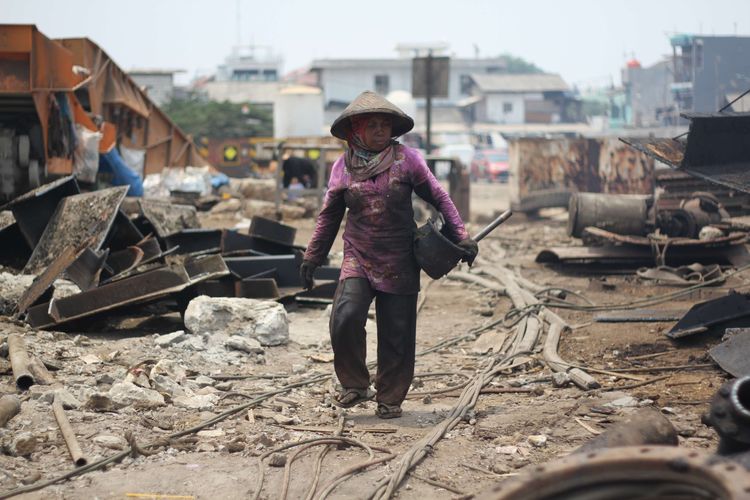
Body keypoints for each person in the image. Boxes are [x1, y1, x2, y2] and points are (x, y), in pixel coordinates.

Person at [300, 91, 478, 419]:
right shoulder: (342, 167)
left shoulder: (406, 160)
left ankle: (390, 397)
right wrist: (313, 256)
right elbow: (329, 216)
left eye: (386, 125)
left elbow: (439, 196)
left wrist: (462, 237)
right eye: (373, 125)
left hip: (399, 256)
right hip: (358, 253)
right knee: (345, 316)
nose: (381, 130)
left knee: (397, 331)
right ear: (356, 129)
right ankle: (355, 384)